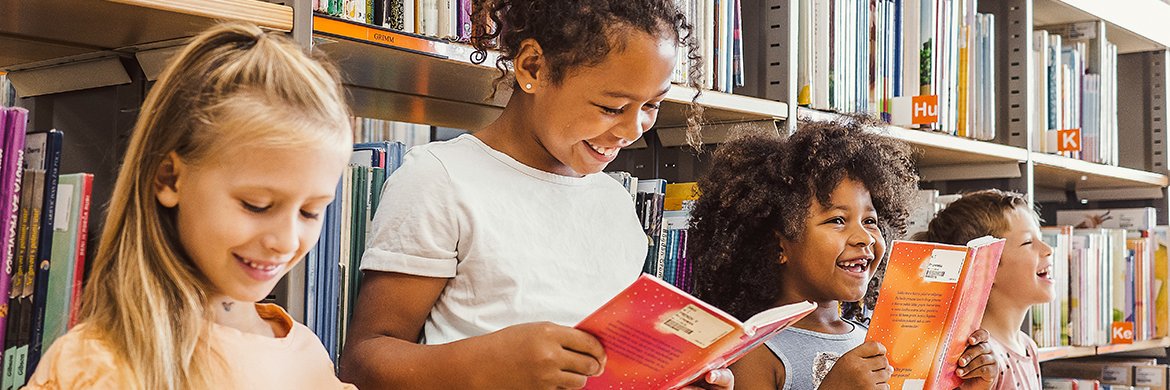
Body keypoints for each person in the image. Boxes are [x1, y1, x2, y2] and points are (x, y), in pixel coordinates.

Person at [338, 0, 731, 389]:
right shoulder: (441, 178)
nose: (633, 130)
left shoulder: (615, 201)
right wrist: (490, 362)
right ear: (533, 68)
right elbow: (363, 361)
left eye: (652, 105)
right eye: (612, 107)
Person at [27, 22, 356, 390]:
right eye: (256, 205)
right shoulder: (95, 367)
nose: (286, 241)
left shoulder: (309, 360)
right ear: (168, 179)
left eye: (310, 211)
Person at [687, 119, 1000, 390]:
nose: (864, 237)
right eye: (837, 220)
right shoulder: (755, 353)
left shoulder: (875, 339)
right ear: (777, 245)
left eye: (870, 221)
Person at [914, 189, 1052, 390]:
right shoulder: (979, 361)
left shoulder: (1028, 346)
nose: (1048, 249)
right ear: (987, 266)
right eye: (1028, 242)